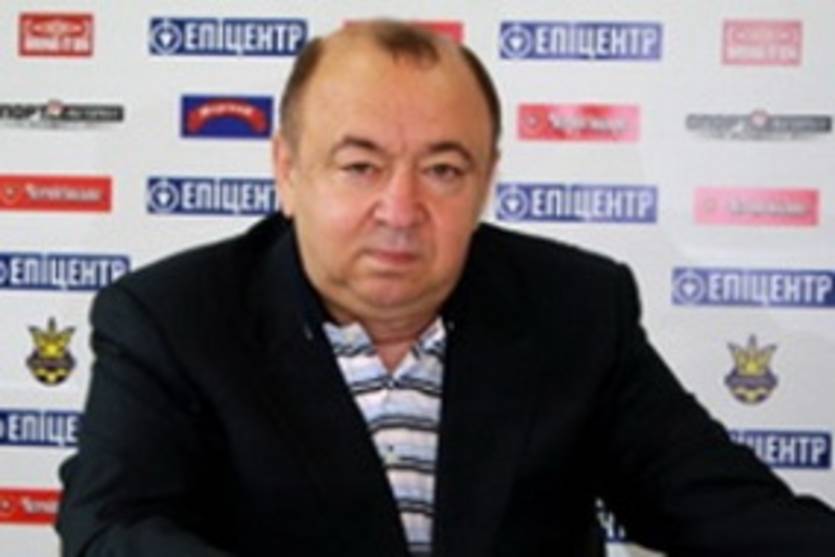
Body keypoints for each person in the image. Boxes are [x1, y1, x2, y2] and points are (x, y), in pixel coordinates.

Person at [57, 20, 835, 557]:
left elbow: (723, 509)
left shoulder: (574, 307)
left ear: (486, 179)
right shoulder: (172, 317)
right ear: (287, 172)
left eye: (442, 169)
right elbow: (110, 528)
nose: (400, 210)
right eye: (359, 166)